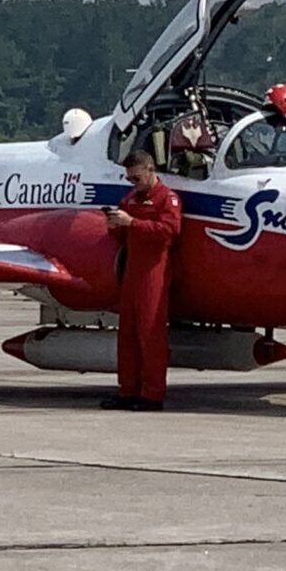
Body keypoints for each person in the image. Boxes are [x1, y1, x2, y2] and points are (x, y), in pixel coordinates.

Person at [101, 149, 182, 411]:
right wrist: (115, 226)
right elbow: (122, 238)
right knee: (128, 335)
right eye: (129, 179)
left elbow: (169, 231)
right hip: (132, 271)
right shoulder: (131, 199)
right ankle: (127, 390)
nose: (133, 183)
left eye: (136, 178)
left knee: (151, 335)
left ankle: (152, 394)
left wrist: (132, 223)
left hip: (154, 272)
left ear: (150, 170)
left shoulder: (166, 199)